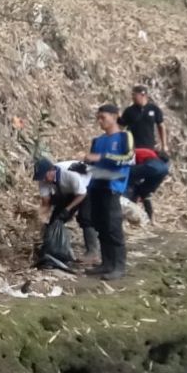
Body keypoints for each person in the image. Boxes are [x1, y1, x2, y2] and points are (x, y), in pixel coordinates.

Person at [83, 104, 135, 280]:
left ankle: (119, 265)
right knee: (101, 225)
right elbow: (92, 163)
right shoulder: (97, 141)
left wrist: (102, 157)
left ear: (115, 116)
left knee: (113, 227)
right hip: (96, 185)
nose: (100, 121)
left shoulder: (124, 137)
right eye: (98, 118)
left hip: (113, 186)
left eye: (103, 117)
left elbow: (129, 158)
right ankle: (106, 263)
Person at [34, 158, 95, 258]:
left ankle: (92, 252)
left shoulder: (69, 173)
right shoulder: (43, 180)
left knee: (85, 217)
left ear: (51, 171)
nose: (43, 180)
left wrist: (68, 209)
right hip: (68, 190)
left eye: (44, 177)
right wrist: (44, 218)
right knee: (56, 219)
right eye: (40, 178)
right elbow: (46, 202)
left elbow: (82, 194)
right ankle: (51, 247)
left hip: (87, 187)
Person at [126, 147, 170, 223]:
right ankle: (152, 220)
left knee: (126, 176)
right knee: (145, 193)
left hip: (153, 166)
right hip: (164, 170)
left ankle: (126, 207)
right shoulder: (162, 162)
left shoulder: (146, 153)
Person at [119, 86, 167, 154]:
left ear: (143, 95)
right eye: (132, 95)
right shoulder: (129, 111)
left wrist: (164, 145)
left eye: (135, 95)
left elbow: (161, 126)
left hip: (149, 146)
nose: (133, 97)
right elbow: (121, 126)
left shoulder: (154, 109)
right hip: (132, 147)